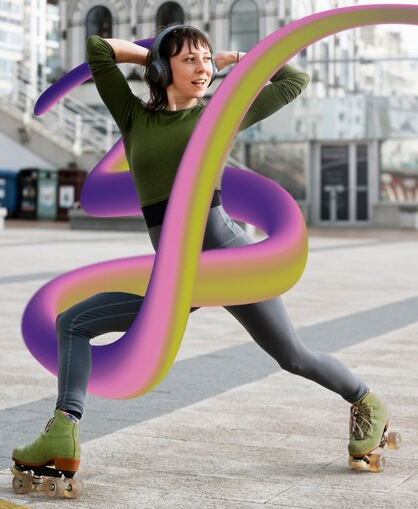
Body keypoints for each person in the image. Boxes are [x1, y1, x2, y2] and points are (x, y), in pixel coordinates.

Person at [12, 24, 389, 476]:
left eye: (206, 59)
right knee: (72, 322)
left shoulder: (218, 116)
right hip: (177, 271)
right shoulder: (135, 118)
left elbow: (293, 82)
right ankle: (63, 431)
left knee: (291, 355)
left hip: (226, 258)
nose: (203, 67)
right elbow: (97, 49)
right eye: (190, 58)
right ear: (163, 66)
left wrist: (233, 59)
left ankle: (366, 401)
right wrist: (147, 55)